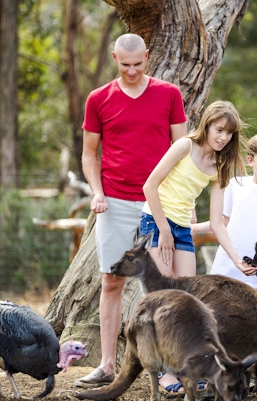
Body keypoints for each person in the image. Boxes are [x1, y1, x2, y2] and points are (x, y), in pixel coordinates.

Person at [74, 33, 188, 390]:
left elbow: (182, 150)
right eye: (126, 65)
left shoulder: (169, 94)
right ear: (114, 58)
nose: (133, 71)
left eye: (139, 64)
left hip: (158, 204)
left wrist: (184, 203)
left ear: (148, 57)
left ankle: (169, 368)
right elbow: (89, 154)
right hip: (115, 202)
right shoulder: (98, 99)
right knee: (112, 281)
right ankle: (108, 364)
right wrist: (97, 193)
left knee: (160, 288)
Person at [141, 100, 254, 280]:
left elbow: (217, 223)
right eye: (219, 130)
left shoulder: (219, 167)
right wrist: (164, 231)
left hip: (183, 227)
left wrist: (237, 260)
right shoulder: (185, 146)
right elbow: (149, 186)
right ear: (207, 126)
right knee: (160, 292)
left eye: (229, 133)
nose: (224, 137)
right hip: (156, 221)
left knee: (186, 293)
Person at [193, 132, 257, 292]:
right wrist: (194, 228)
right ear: (250, 160)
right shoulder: (235, 185)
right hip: (227, 266)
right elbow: (222, 222)